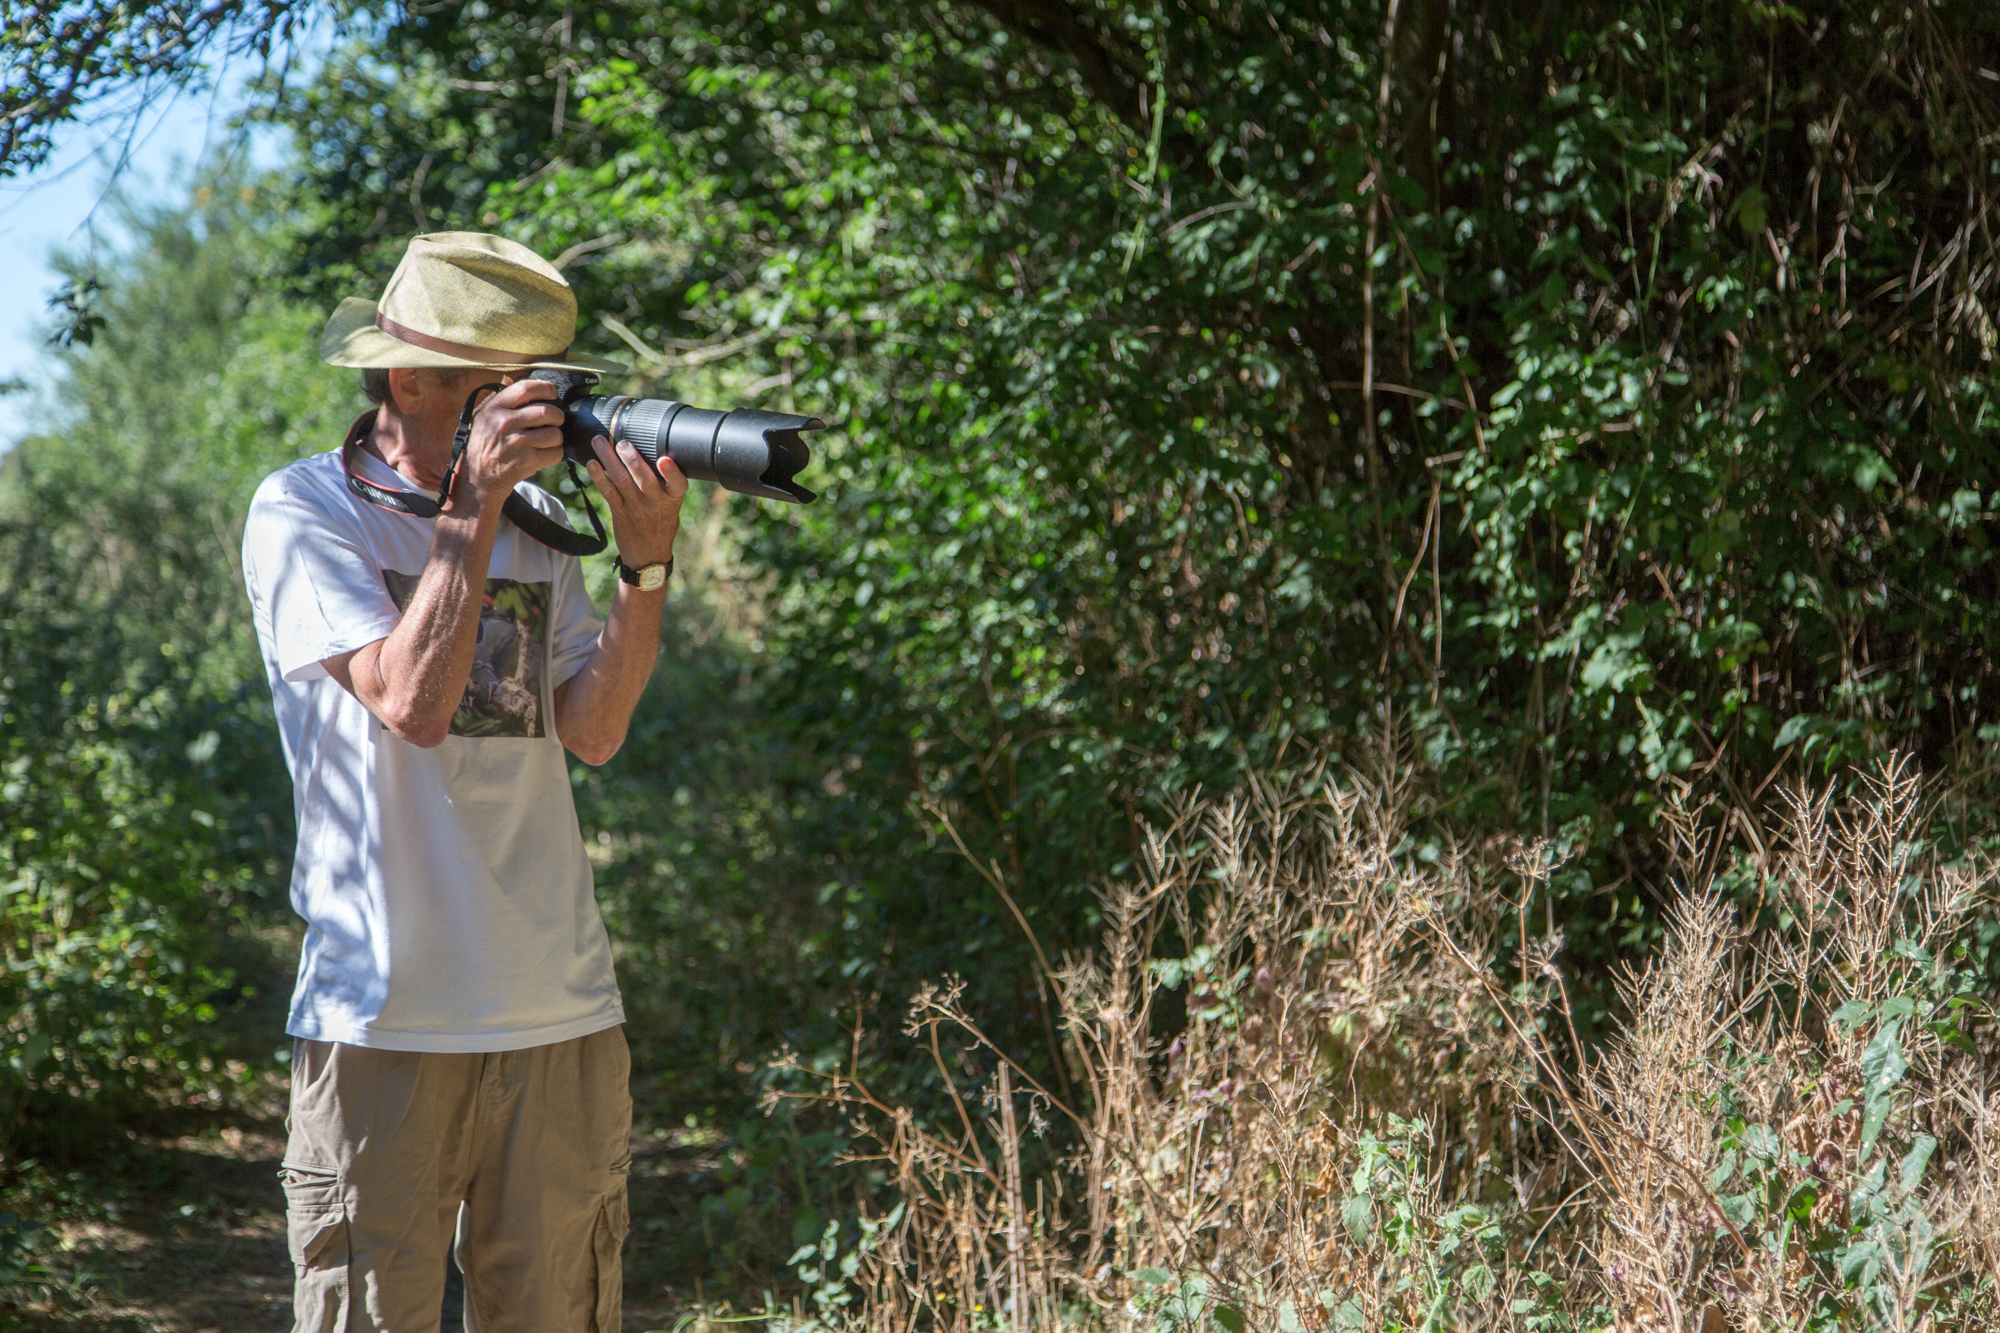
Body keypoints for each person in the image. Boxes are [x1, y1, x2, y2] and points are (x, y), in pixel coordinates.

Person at [241, 231, 685, 1332]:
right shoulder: (303, 511)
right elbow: (411, 706)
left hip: (560, 1013)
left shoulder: (538, 526)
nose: (540, 418)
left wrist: (643, 568)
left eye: (545, 391)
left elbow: (591, 730)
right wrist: (471, 507)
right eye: (509, 393)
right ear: (409, 376)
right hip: (383, 1013)